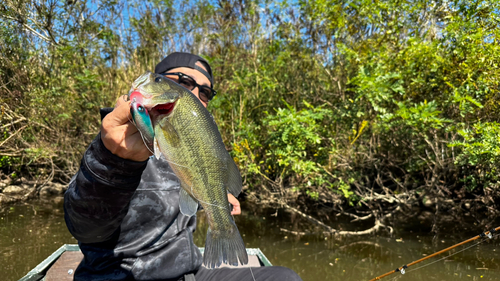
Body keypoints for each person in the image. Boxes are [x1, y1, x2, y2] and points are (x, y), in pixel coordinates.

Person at [64, 52, 303, 281]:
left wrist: (216, 196)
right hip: (118, 275)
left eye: (206, 92)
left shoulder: (185, 149)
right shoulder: (114, 144)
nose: (197, 93)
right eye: (185, 82)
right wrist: (113, 161)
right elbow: (85, 229)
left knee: (285, 278)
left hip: (187, 273)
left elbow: (183, 196)